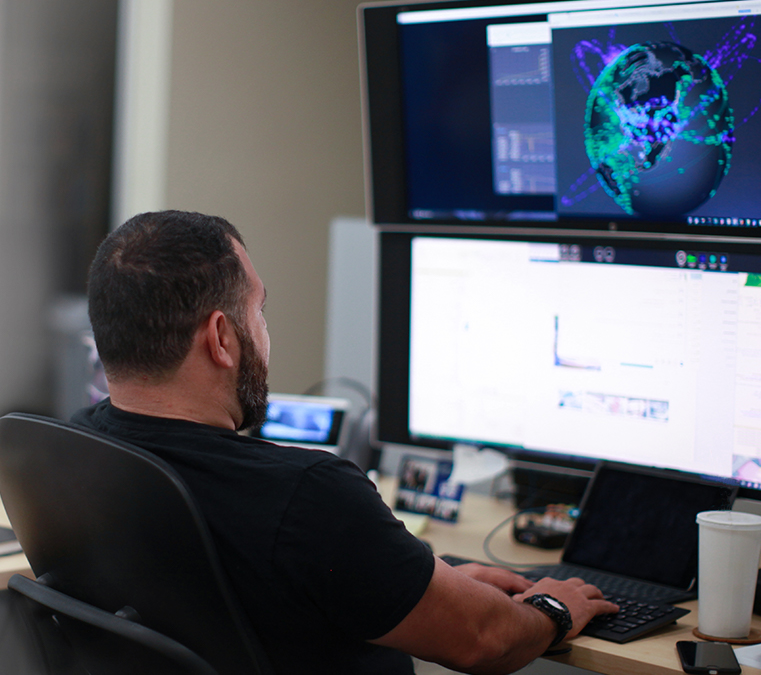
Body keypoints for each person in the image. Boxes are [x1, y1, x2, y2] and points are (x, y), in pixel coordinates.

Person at [70, 210, 617, 675]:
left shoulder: (78, 450)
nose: (264, 330)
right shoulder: (307, 494)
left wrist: (414, 580)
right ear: (221, 338)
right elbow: (486, 639)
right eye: (258, 310)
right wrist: (554, 604)